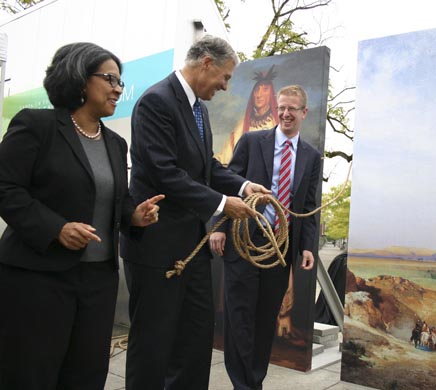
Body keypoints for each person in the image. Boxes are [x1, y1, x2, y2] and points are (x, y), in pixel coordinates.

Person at [0, 42, 163, 389]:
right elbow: (6, 188)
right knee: (31, 374)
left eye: (120, 81)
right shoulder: (36, 125)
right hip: (38, 281)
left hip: (97, 284)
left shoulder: (116, 144)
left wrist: (135, 215)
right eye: (110, 78)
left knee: (86, 376)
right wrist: (56, 228)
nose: (119, 88)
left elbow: (118, 201)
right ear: (79, 78)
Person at [120, 35, 270, 390]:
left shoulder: (199, 111)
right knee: (153, 345)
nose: (225, 85)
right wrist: (222, 205)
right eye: (226, 76)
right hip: (156, 249)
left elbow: (207, 168)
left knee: (195, 341)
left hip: (192, 248)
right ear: (206, 63)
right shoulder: (156, 102)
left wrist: (243, 186)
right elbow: (164, 172)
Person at [209, 85, 322, 390]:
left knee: (264, 319)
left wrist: (308, 247)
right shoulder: (251, 141)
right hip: (244, 240)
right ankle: (241, 384)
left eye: (292, 109)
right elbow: (228, 183)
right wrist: (218, 227)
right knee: (239, 318)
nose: (285, 114)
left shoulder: (311, 157)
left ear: (303, 113)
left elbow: (309, 206)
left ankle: (254, 381)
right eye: (281, 108)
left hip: (280, 248)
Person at [215, 65, 279, 165]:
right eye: (257, 90)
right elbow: (226, 155)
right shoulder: (244, 123)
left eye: (265, 89)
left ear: (271, 94)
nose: (259, 95)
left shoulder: (276, 123)